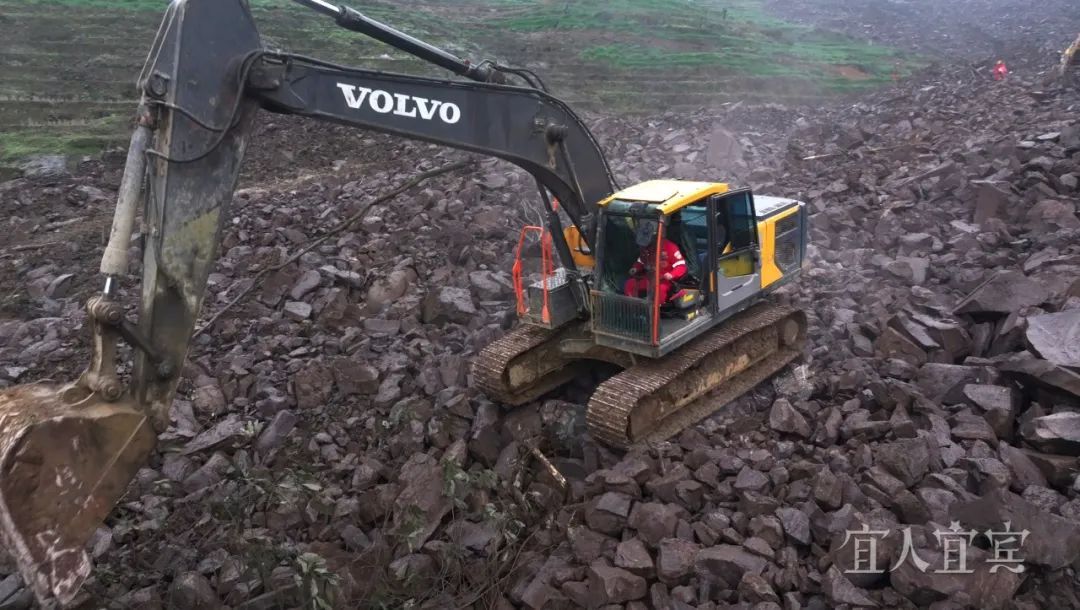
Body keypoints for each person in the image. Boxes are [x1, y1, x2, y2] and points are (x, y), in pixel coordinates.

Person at [623, 219, 687, 303]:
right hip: (649, 278)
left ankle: (656, 310)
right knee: (630, 284)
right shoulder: (645, 248)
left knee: (659, 290)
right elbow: (641, 261)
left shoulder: (670, 247)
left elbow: (681, 266)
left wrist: (672, 274)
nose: (646, 246)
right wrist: (635, 268)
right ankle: (633, 305)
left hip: (664, 281)